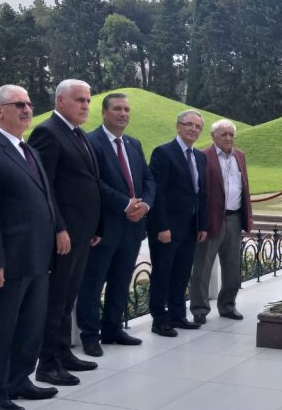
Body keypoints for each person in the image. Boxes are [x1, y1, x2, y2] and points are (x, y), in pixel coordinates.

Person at [0, 86, 60, 410]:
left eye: (29, 104)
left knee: (29, 325)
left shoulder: (28, 150)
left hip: (37, 256)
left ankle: (19, 380)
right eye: (19, 104)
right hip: (8, 261)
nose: (27, 109)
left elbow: (44, 198)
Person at [29, 79, 102, 386]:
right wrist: (59, 227)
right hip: (63, 236)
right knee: (55, 300)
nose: (85, 105)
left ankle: (62, 353)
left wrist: (96, 227)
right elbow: (44, 187)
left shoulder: (78, 133)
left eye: (87, 100)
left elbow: (90, 183)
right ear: (60, 101)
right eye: (79, 100)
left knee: (68, 298)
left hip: (82, 233)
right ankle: (47, 363)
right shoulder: (47, 132)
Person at [77, 93, 155, 356]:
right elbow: (93, 182)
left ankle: (113, 328)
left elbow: (148, 178)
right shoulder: (90, 142)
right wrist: (125, 204)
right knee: (93, 283)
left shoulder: (133, 144)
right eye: (117, 109)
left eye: (126, 109)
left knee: (121, 281)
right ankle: (90, 335)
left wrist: (145, 205)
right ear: (104, 112)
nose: (123, 114)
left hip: (132, 227)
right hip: (104, 226)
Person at [147, 110, 207, 336]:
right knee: (163, 273)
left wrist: (201, 225)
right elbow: (158, 192)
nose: (193, 129)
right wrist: (161, 226)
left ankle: (178, 315)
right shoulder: (163, 153)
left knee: (181, 273)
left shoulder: (199, 157)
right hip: (167, 228)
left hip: (190, 227)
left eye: (198, 126)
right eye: (189, 124)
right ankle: (159, 320)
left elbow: (201, 193)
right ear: (178, 126)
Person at [189, 119, 253, 325]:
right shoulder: (202, 156)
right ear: (213, 136)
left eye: (231, 134)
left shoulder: (240, 156)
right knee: (203, 266)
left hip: (234, 218)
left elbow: (245, 187)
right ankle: (199, 308)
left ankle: (227, 305)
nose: (228, 138)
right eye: (223, 134)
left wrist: (248, 217)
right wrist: (200, 223)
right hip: (211, 220)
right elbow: (198, 191)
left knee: (232, 266)